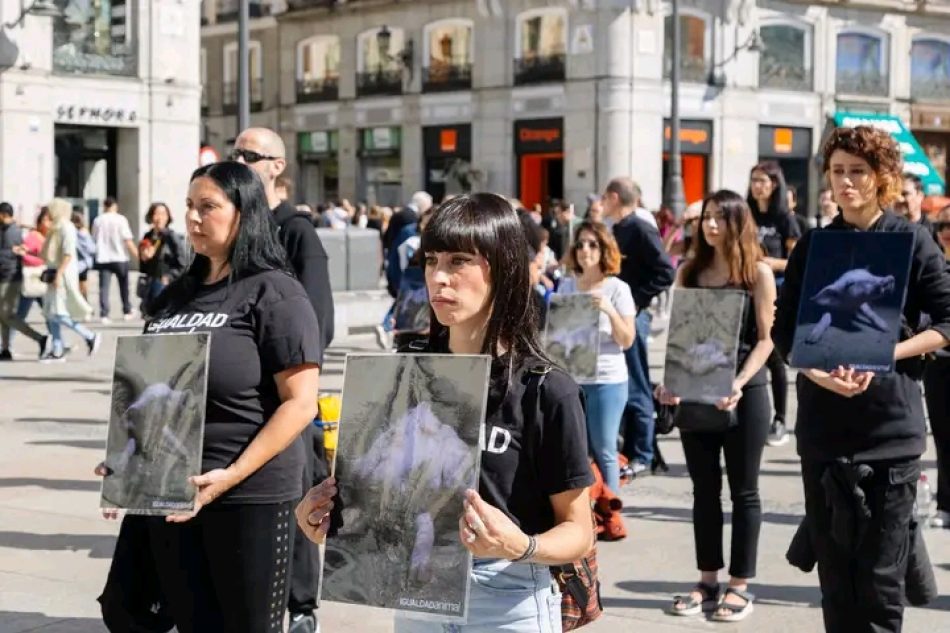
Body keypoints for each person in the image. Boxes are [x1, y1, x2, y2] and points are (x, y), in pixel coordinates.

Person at [296, 193, 595, 632]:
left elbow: (579, 530)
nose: (439, 277)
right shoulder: (404, 374)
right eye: (432, 260)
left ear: (504, 267)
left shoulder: (546, 389)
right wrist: (330, 520)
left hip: (506, 596)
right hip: (419, 594)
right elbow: (380, 494)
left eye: (459, 261)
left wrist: (522, 545)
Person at [97, 161, 323, 633]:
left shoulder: (276, 292)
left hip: (249, 494)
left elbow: (300, 403)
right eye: (189, 207)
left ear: (244, 213)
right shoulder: (175, 297)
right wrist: (128, 455)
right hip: (172, 491)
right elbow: (150, 390)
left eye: (208, 207)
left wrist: (230, 476)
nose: (194, 218)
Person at [773, 126, 950, 633]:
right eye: (838, 172)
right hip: (825, 432)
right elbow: (785, 332)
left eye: (858, 171)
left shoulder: (913, 240)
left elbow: (946, 321)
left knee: (880, 585)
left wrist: (888, 351)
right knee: (836, 582)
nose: (846, 182)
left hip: (890, 435)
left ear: (882, 177)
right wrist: (817, 373)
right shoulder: (814, 244)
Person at [232, 127, 334, 633]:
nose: (240, 160)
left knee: (297, 502)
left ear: (276, 166)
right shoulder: (234, 233)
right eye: (236, 153)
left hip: (287, 399)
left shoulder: (296, 231)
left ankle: (301, 609)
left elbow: (319, 323)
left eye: (249, 155)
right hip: (242, 404)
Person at [656, 190, 776, 623]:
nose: (710, 226)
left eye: (719, 219)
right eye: (706, 217)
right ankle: (707, 579)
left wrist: (740, 382)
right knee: (704, 491)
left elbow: (766, 339)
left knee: (745, 491)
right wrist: (670, 383)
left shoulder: (757, 273)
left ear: (737, 223)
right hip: (696, 391)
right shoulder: (689, 270)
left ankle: (740, 585)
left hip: (746, 390)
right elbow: (680, 336)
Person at [602, 177, 676, 476]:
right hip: (618, 314)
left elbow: (665, 272)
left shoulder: (638, 227)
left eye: (605, 198)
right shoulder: (620, 228)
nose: (601, 204)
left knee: (638, 384)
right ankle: (631, 448)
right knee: (626, 381)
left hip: (633, 315)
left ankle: (644, 454)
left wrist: (635, 300)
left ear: (615, 197)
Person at [558, 220, 636, 493]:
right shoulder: (567, 286)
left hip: (607, 379)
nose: (585, 250)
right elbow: (557, 335)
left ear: (604, 249)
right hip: (571, 378)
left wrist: (609, 310)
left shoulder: (617, 288)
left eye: (593, 244)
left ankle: (610, 511)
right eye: (580, 244)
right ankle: (582, 513)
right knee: (574, 450)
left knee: (604, 448)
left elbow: (627, 340)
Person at [746, 160, 800, 448]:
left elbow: (797, 262)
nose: (757, 186)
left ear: (774, 184)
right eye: (754, 180)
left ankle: (780, 418)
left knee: (774, 355)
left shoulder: (785, 218)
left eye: (763, 181)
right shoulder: (746, 214)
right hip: (747, 290)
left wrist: (770, 263)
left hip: (776, 291)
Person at [40, 199, 101, 362]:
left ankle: (90, 336)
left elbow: (68, 254)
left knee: (58, 313)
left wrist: (59, 275)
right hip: (55, 273)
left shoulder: (66, 228)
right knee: (50, 313)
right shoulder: (56, 227)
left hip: (62, 275)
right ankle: (58, 349)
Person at [925, 204, 950, 529]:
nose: (946, 228)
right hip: (938, 363)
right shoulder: (932, 267)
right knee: (943, 436)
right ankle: (945, 503)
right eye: (943, 223)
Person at [0, 202, 48, 359]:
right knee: (4, 316)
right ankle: (6, 349)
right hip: (7, 276)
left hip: (10, 278)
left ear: (3, 215)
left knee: (7, 316)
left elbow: (10, 255)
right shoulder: (6, 229)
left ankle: (40, 338)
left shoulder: (12, 232)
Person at [92, 196, 138, 323]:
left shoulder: (98, 220)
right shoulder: (121, 219)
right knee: (124, 286)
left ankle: (104, 314)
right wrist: (137, 255)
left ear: (104, 206)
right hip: (120, 257)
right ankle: (127, 310)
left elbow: (94, 237)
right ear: (115, 206)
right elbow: (127, 239)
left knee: (104, 287)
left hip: (103, 257)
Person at [138, 202, 186, 315]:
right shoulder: (148, 236)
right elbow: (143, 266)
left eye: (163, 214)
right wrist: (143, 257)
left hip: (164, 283)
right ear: (150, 216)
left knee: (161, 315)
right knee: (148, 315)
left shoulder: (171, 237)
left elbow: (183, 263)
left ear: (168, 217)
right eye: (156, 214)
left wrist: (169, 277)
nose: (159, 218)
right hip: (149, 283)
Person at [897, 174, 939, 244]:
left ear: (920, 196)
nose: (899, 199)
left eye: (905, 194)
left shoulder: (932, 231)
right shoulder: (886, 227)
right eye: (896, 194)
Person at [72, 211, 96, 301]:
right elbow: (92, 248)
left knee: (77, 282)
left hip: (75, 261)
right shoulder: (85, 232)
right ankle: (85, 300)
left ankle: (79, 301)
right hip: (85, 262)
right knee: (83, 281)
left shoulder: (71, 231)